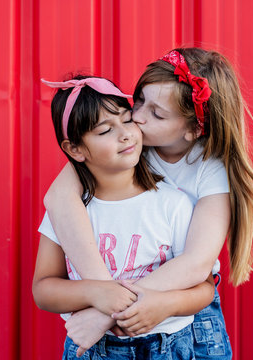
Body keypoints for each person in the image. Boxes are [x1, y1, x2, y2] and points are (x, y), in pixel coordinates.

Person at [44, 48, 253, 358]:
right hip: (120, 315)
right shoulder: (126, 150)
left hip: (187, 313)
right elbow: (58, 198)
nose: (137, 118)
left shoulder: (210, 170)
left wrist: (108, 311)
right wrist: (105, 296)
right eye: (138, 101)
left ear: (193, 129)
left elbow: (196, 265)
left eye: (156, 113)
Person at [32, 75, 215, 359]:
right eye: (105, 130)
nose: (125, 134)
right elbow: (44, 289)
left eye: (128, 119)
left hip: (167, 344)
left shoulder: (173, 203)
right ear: (74, 149)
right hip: (94, 349)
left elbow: (204, 288)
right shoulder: (71, 212)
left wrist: (165, 304)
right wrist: (96, 293)